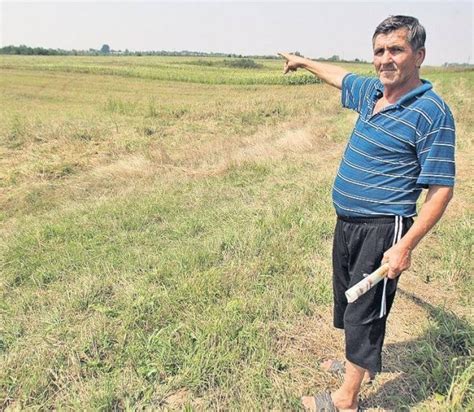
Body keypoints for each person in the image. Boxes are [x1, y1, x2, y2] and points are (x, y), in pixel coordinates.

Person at [279, 15, 455, 411]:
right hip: (348, 223)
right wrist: (303, 62)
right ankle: (352, 365)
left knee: (365, 313)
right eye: (379, 51)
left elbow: (442, 187)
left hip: (382, 228)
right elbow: (340, 77)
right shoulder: (372, 91)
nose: (385, 59)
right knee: (348, 302)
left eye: (396, 50)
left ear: (419, 55)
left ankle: (346, 400)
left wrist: (405, 245)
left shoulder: (431, 112)